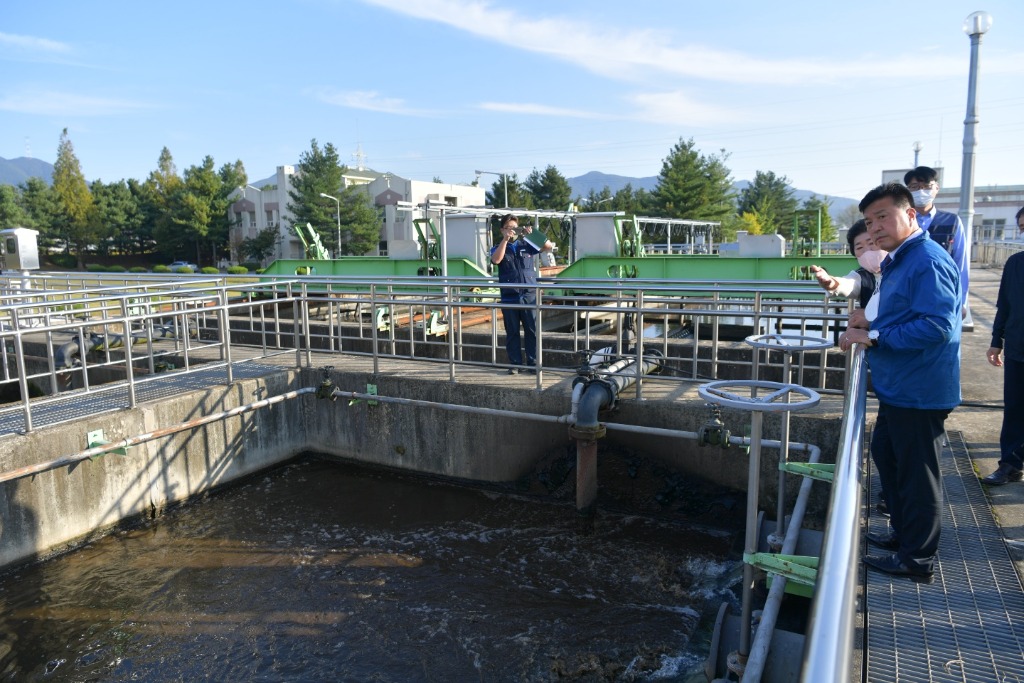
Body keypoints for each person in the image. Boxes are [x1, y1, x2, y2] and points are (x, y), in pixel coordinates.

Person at [839, 182, 962, 582]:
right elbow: (907, 311)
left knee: (917, 475)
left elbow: (937, 326)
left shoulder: (925, 259)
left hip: (920, 390)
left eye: (883, 217)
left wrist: (872, 336)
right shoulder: (900, 258)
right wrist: (870, 320)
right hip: (901, 387)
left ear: (910, 215)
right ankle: (904, 537)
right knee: (888, 456)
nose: (874, 229)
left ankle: (917, 560)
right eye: (869, 221)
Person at [981, 206, 1024, 485]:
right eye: (1021, 226)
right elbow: (1004, 306)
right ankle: (1010, 464)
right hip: (1018, 348)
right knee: (1015, 408)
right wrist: (996, 341)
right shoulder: (1014, 263)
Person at [490, 214, 554, 374]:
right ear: (502, 230)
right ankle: (515, 364)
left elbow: (548, 246)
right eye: (508, 228)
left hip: (529, 294)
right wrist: (505, 240)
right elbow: (496, 260)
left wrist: (533, 234)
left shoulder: (526, 244)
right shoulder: (498, 247)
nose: (511, 231)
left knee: (531, 330)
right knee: (512, 332)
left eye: (514, 228)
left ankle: (533, 364)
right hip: (510, 296)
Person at [904, 166, 969, 313]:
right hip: (907, 292)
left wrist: (962, 301)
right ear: (907, 191)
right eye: (914, 187)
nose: (921, 191)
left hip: (943, 292)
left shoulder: (952, 221)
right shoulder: (902, 221)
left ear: (937, 188)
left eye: (927, 186)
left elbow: (960, 263)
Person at [811, 219, 885, 310]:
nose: (866, 250)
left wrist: (870, 318)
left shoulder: (904, 268)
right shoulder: (861, 276)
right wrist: (831, 283)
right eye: (859, 247)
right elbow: (848, 284)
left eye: (871, 243)